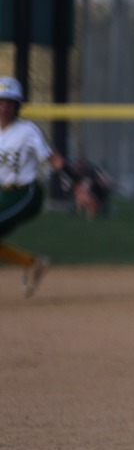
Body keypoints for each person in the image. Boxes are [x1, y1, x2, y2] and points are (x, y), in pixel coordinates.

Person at [0, 77, 63, 297]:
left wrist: (75, 184)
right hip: (4, 194)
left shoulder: (27, 130)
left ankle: (31, 262)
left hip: (27, 193)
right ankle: (32, 262)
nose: (4, 107)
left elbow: (52, 159)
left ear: (17, 106)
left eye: (9, 102)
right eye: (1, 102)